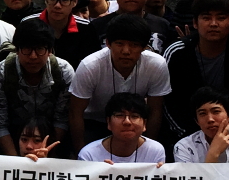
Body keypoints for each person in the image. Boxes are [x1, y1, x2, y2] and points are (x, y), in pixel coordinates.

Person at [68, 14, 170, 146]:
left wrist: (148, 147)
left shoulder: (156, 64)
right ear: (108, 43)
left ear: (145, 46)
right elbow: (75, 112)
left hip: (134, 121)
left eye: (134, 45)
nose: (126, 51)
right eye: (119, 43)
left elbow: (155, 110)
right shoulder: (90, 66)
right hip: (95, 122)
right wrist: (80, 152)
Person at [162, 0, 229, 139]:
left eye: (221, 18)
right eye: (206, 18)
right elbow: (167, 101)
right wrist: (189, 135)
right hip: (184, 134)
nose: (213, 24)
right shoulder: (177, 52)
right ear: (195, 22)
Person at [0, 20, 74, 157]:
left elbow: (61, 120)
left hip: (52, 141)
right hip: (12, 140)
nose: (33, 56)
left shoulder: (64, 72)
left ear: (50, 51)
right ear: (17, 50)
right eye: (27, 49)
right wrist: (17, 162)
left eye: (40, 49)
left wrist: (45, 152)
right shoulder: (0, 74)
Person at [172, 88, 229, 164]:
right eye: (202, 113)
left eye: (216, 111)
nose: (210, 119)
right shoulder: (184, 147)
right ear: (196, 121)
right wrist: (214, 153)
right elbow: (190, 179)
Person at [78, 92, 166, 164]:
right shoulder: (89, 154)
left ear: (144, 124)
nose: (127, 122)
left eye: (134, 116)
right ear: (108, 122)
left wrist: (162, 173)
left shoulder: (155, 150)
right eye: (120, 115)